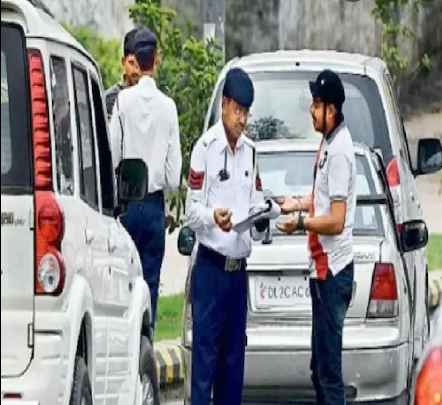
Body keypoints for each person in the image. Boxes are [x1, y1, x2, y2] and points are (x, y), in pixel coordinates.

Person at [185, 67, 280, 405]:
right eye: (238, 111)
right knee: (204, 366)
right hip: (211, 269)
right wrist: (213, 217)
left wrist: (262, 216)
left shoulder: (250, 152)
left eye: (246, 113)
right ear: (224, 105)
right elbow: (190, 211)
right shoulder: (205, 148)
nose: (242, 120)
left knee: (233, 365)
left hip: (238, 273)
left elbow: (254, 202)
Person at [277, 69, 357, 405]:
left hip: (332, 273)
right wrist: (296, 202)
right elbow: (324, 198)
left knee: (328, 373)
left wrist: (300, 223)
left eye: (317, 104)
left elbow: (336, 220)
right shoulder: (329, 143)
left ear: (331, 110)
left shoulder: (339, 152)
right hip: (323, 271)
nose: (311, 110)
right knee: (320, 369)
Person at [109, 28, 182, 332]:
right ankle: (146, 345)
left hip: (126, 205)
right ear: (157, 59)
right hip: (153, 207)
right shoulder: (168, 107)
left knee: (123, 285)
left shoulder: (122, 102)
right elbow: (174, 176)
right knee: (150, 284)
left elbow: (112, 156)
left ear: (135, 62)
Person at [105, 28, 140, 119]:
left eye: (140, 64)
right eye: (131, 63)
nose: (136, 70)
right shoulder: (110, 99)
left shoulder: (152, 100)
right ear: (123, 62)